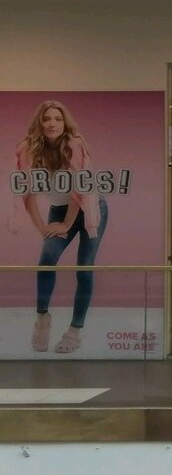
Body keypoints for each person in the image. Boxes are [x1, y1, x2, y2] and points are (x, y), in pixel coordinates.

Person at [15, 100, 108, 354]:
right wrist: (42, 228)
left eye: (57, 119)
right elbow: (27, 194)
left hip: (90, 207)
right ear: (39, 123)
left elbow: (79, 190)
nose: (52, 124)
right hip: (59, 209)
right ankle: (42, 318)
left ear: (65, 123)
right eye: (47, 119)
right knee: (47, 258)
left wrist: (67, 223)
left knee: (84, 268)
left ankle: (75, 330)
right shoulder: (27, 149)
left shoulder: (74, 145)